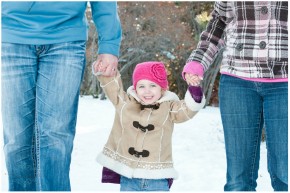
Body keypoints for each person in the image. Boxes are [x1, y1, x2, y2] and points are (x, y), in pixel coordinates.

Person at [1, 2, 121, 191]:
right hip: (10, 36)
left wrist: (109, 45)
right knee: (17, 139)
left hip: (66, 37)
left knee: (56, 136)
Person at [183, 1, 288, 191]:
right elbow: (218, 24)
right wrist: (198, 61)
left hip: (284, 81)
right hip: (237, 80)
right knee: (238, 180)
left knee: (285, 171)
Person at [92, 61, 205, 191]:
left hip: (157, 179)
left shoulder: (168, 107)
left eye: (152, 85)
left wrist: (194, 89)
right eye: (141, 86)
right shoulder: (126, 103)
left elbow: (187, 110)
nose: (147, 91)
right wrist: (105, 71)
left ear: (162, 88)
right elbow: (113, 89)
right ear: (135, 88)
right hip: (129, 178)